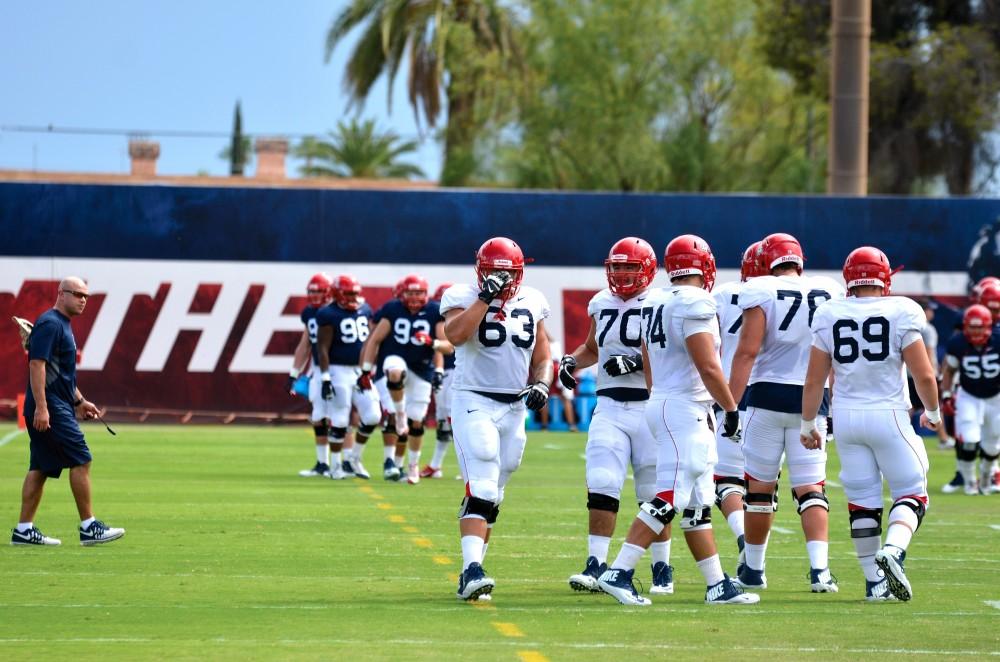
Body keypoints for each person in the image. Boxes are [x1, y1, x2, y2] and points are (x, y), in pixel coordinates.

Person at [597, 235, 758, 606]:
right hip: (685, 407)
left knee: (699, 502)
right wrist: (731, 408)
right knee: (670, 495)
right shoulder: (696, 301)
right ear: (705, 266)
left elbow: (647, 357)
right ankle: (619, 571)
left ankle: (717, 583)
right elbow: (707, 365)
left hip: (668, 403)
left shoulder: (655, 299)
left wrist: (661, 396)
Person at [802, 246, 938, 601]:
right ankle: (894, 550)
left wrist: (807, 423)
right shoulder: (901, 310)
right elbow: (923, 374)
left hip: (845, 418)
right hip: (888, 414)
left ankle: (874, 584)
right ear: (885, 278)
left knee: (862, 500)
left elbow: (815, 380)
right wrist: (934, 412)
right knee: (912, 491)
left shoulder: (830, 313)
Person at [727, 232, 844, 592]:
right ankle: (820, 571)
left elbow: (747, 351)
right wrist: (833, 403)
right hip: (815, 397)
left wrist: (731, 404)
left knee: (759, 489)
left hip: (767, 395)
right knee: (811, 487)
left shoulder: (760, 289)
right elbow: (833, 356)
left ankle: (754, 570)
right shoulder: (829, 290)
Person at [558, 237, 674, 594]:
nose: (622, 274)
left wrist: (637, 361)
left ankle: (661, 566)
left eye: (630, 267)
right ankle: (596, 563)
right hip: (608, 405)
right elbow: (593, 348)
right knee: (602, 481)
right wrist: (571, 362)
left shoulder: (663, 303)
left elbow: (673, 352)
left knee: (652, 491)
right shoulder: (601, 302)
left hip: (649, 405)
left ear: (648, 270)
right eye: (617, 266)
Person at [440, 237, 552, 601]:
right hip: (474, 399)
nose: (502, 280)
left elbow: (543, 355)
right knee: (484, 484)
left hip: (514, 407)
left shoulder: (533, 300)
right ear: (480, 270)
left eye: (508, 273)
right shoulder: (461, 294)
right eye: (494, 272)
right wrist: (485, 298)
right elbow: (455, 335)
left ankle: (471, 571)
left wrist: (542, 384)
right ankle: (473, 569)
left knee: (495, 492)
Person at [12, 277, 125, 547]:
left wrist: (80, 401)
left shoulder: (61, 324)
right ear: (61, 294)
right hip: (50, 407)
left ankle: (23, 530)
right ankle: (89, 527)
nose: (83, 299)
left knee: (40, 467)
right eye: (77, 294)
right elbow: (37, 366)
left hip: (56, 404)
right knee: (82, 459)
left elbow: (60, 374)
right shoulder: (51, 323)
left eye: (86, 295)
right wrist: (42, 407)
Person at [361, 274, 450, 484]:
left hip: (422, 369)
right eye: (410, 292)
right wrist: (366, 369)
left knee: (417, 422)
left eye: (419, 292)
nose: (414, 297)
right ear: (402, 293)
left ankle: (411, 465)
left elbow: (448, 345)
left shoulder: (433, 311)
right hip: (394, 361)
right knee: (394, 371)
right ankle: (399, 417)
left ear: (426, 293)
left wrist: (432, 343)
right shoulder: (392, 309)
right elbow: (374, 340)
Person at [709, 240, 765, 573]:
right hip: (776, 398)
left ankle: (745, 538)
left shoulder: (721, 295)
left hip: (729, 394)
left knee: (726, 480)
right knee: (765, 486)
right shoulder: (802, 294)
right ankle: (820, 569)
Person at [316, 274, 381, 480]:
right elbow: (322, 348)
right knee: (340, 418)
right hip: (338, 370)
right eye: (348, 293)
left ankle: (354, 458)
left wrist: (370, 367)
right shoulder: (328, 313)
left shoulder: (365, 309)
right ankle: (335, 466)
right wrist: (325, 377)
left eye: (355, 293)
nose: (353, 297)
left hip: (360, 370)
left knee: (373, 415)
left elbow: (371, 340)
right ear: (336, 293)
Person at [939, 304, 1000, 495]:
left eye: (979, 327)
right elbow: (949, 370)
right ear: (965, 326)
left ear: (989, 326)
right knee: (970, 440)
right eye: (972, 327)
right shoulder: (958, 343)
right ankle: (970, 481)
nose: (976, 331)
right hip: (969, 395)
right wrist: (947, 394)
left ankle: (986, 476)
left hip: (996, 396)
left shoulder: (998, 341)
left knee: (992, 444)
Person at [288, 272, 335, 477]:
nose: (315, 296)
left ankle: (344, 463)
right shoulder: (309, 313)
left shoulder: (337, 312)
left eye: (319, 292)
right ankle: (323, 463)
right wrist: (294, 373)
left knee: (341, 416)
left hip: (339, 369)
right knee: (318, 415)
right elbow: (305, 344)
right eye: (312, 292)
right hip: (318, 368)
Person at [421, 283, 456, 479]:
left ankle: (470, 467)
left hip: (460, 371)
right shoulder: (438, 318)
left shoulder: (467, 317)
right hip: (446, 370)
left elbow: (448, 345)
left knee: (457, 421)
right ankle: (436, 465)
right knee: (444, 420)